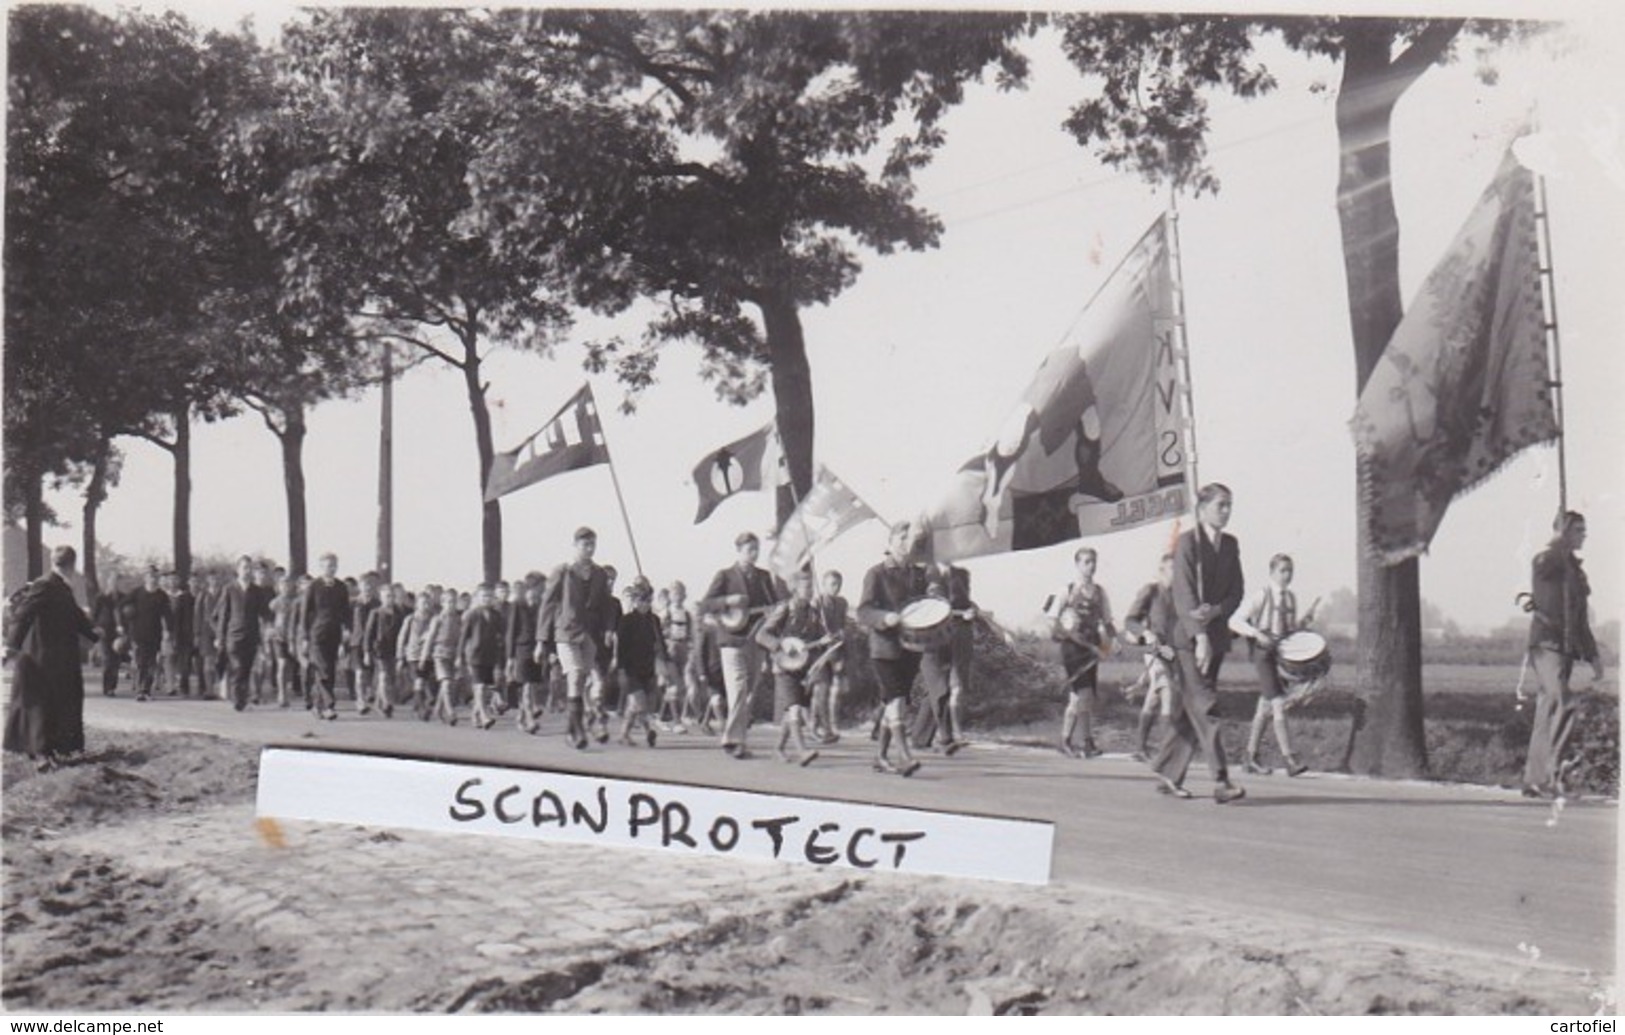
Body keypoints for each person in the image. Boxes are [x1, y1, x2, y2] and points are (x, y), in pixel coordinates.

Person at [1152, 483, 1246, 804]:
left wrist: (1217, 610)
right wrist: (1200, 634)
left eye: (1229, 505)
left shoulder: (1231, 545)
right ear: (1202, 507)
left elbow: (1237, 591)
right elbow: (1183, 593)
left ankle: (1167, 769)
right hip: (1188, 642)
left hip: (1216, 637)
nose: (1226, 511)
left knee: (1191, 709)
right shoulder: (1187, 543)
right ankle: (1221, 780)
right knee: (1206, 707)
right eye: (1221, 505)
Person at [1522, 511, 1604, 799]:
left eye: (1584, 529)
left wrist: (1593, 655)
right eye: (1578, 530)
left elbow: (1580, 619)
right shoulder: (1547, 561)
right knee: (1561, 701)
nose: (1584, 535)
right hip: (1546, 644)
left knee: (1548, 707)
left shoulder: (1575, 571)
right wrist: (1558, 542)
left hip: (1566, 647)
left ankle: (1537, 779)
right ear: (1563, 532)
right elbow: (1543, 568)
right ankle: (1548, 776)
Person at [4, 546, 99, 770]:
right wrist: (10, 646)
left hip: (57, 658)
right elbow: (23, 614)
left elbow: (74, 616)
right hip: (41, 658)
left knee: (58, 702)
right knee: (42, 705)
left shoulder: (61, 587)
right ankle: (42, 754)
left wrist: (94, 635)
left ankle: (50, 750)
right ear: (72, 565)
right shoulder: (45, 584)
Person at [1231, 553, 1319, 777]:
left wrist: (1302, 626)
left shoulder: (1291, 598)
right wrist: (1255, 633)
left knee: (1265, 705)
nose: (1286, 575)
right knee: (1278, 702)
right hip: (1263, 655)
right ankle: (1289, 759)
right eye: (1282, 571)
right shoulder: (1261, 595)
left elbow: (1288, 630)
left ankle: (1250, 757)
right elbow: (1235, 620)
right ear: (1272, 573)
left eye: (1290, 571)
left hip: (1280, 655)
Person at [701, 532, 783, 759]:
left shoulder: (764, 577)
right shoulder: (725, 576)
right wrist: (728, 601)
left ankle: (739, 741)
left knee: (749, 693)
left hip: (755, 641)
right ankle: (732, 740)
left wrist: (774, 611)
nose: (754, 554)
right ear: (738, 551)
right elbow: (706, 605)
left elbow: (775, 604)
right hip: (731, 641)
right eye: (749, 550)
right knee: (738, 689)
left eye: (756, 549)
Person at [857, 521, 929, 777]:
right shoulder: (876, 573)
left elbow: (924, 606)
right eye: (901, 539)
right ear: (889, 543)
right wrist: (883, 618)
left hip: (911, 648)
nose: (905, 544)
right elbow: (863, 611)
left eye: (908, 540)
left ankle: (880, 756)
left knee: (892, 702)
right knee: (896, 699)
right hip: (884, 648)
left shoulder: (918, 574)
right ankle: (905, 756)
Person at [538, 527, 617, 749]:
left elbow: (607, 604)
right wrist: (542, 640)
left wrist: (610, 628)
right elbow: (548, 604)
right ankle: (579, 729)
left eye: (592, 545)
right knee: (575, 675)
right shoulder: (563, 572)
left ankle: (572, 730)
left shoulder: (600, 574)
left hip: (590, 634)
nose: (589, 549)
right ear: (575, 546)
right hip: (566, 632)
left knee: (582, 680)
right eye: (585, 545)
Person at [1044, 547, 1116, 759]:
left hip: (1091, 649)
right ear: (1077, 565)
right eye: (1085, 562)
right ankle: (1087, 743)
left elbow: (1108, 621)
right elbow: (1051, 617)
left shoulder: (1100, 593)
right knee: (1084, 693)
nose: (1090, 566)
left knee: (1078, 698)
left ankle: (1065, 740)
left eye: (1093, 561)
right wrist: (1064, 629)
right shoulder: (1068, 590)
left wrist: (1114, 641)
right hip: (1073, 648)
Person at [757, 569, 829, 766]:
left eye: (812, 587)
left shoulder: (814, 613)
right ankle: (802, 751)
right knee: (795, 708)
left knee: (792, 711)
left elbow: (811, 643)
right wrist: (781, 646)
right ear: (795, 589)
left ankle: (778, 748)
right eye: (806, 587)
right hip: (783, 667)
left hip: (803, 667)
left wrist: (825, 641)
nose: (810, 591)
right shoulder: (784, 609)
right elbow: (762, 635)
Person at [911, 562, 976, 754]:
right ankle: (946, 738)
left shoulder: (962, 573)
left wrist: (971, 612)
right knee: (939, 687)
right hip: (929, 637)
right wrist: (960, 613)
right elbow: (927, 605)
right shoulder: (922, 573)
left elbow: (966, 601)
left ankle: (919, 738)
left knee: (938, 689)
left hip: (956, 636)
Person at [1122, 553, 1179, 762]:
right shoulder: (1151, 591)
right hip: (1153, 649)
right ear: (1162, 571)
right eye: (1172, 568)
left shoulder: (1181, 594)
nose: (1177, 573)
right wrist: (1145, 633)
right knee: (1167, 691)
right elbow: (1129, 621)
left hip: (1171, 652)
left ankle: (1140, 748)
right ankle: (1168, 753)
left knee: (1154, 697)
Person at [214, 555, 274, 712]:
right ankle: (238, 699)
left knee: (246, 669)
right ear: (238, 570)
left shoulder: (256, 591)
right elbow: (223, 615)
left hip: (252, 635)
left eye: (249, 568)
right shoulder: (229, 589)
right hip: (233, 635)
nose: (246, 571)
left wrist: (270, 624)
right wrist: (220, 637)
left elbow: (264, 612)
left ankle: (242, 698)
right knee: (237, 666)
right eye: (244, 568)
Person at [613, 576, 666, 747]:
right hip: (630, 669)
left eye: (649, 600)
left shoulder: (654, 621)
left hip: (648, 668)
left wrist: (663, 662)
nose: (646, 604)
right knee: (639, 702)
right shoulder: (626, 621)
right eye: (642, 600)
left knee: (634, 705)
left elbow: (661, 644)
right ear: (635, 600)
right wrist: (620, 669)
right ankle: (648, 730)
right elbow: (620, 648)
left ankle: (623, 734)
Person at [302, 553, 351, 721]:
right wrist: (304, 637)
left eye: (333, 565)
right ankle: (329, 706)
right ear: (321, 567)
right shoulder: (314, 586)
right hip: (317, 633)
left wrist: (347, 629)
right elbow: (305, 612)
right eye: (327, 565)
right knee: (322, 669)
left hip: (335, 633)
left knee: (329, 670)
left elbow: (346, 611)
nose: (331, 568)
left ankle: (318, 705)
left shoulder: (341, 587)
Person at [809, 570, 850, 744]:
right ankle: (818, 727)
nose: (836, 588)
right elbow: (809, 629)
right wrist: (820, 639)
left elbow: (842, 625)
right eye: (832, 584)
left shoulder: (842, 603)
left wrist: (842, 633)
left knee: (836, 690)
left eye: (838, 584)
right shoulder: (816, 603)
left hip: (835, 650)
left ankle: (830, 725)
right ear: (824, 585)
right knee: (821, 689)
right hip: (818, 652)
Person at [459, 584, 502, 730]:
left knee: (485, 687)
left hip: (490, 654)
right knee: (480, 686)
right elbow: (464, 636)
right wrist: (459, 656)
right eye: (484, 596)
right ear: (478, 598)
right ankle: (484, 715)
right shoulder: (472, 614)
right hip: (475, 654)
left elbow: (501, 634)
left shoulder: (497, 615)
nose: (487, 599)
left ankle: (475, 714)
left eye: (490, 596)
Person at [128, 565, 171, 703]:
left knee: (152, 663)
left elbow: (168, 615)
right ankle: (140, 690)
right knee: (141, 662)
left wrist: (167, 631)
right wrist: (127, 619)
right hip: (138, 633)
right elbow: (121, 606)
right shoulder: (136, 593)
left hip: (155, 634)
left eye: (155, 576)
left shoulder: (162, 595)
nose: (153, 579)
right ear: (145, 577)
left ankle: (146, 690)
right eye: (150, 576)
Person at [508, 576, 545, 733]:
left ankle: (521, 717)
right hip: (521, 649)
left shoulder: (541, 607)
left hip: (537, 650)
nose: (543, 591)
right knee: (527, 685)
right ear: (531, 588)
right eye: (540, 587)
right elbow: (511, 632)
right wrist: (510, 657)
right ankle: (529, 718)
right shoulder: (517, 606)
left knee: (531, 685)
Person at [365, 582, 407, 718]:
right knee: (383, 676)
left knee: (390, 678)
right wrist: (367, 651)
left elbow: (403, 633)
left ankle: (378, 702)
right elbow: (368, 634)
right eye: (387, 596)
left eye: (392, 596)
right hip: (380, 650)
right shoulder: (376, 613)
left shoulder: (399, 613)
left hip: (394, 650)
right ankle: (387, 704)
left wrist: (403, 650)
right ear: (381, 597)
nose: (390, 599)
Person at [661, 580, 697, 733]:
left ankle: (662, 716)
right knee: (674, 686)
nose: (678, 597)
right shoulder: (665, 613)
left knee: (681, 686)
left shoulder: (688, 614)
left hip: (683, 648)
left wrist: (691, 648)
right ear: (670, 595)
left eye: (681, 593)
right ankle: (676, 721)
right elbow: (658, 633)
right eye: (675, 593)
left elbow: (692, 634)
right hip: (670, 648)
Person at [397, 590, 437, 721]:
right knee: (419, 681)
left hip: (429, 655)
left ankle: (413, 700)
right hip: (413, 655)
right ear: (417, 604)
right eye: (422, 603)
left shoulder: (434, 619)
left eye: (427, 603)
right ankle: (422, 709)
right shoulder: (410, 619)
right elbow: (402, 637)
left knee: (424, 681)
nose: (425, 605)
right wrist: (400, 655)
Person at [428, 586, 464, 725]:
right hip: (439, 653)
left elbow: (462, 637)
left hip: (453, 654)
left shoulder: (459, 619)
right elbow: (430, 637)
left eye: (453, 602)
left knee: (449, 683)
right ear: (442, 602)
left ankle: (438, 708)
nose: (451, 605)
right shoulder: (438, 619)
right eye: (448, 602)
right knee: (446, 682)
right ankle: (450, 711)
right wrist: (425, 655)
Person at [349, 574, 381, 715]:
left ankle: (371, 693)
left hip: (374, 642)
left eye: (370, 585)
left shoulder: (378, 604)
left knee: (372, 672)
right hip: (356, 641)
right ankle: (360, 701)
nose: (367, 588)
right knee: (360, 672)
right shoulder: (353, 603)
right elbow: (345, 621)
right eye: (364, 584)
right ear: (359, 586)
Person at [91, 576, 125, 697]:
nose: (114, 585)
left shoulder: (123, 597)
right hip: (105, 631)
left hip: (118, 633)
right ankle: (107, 687)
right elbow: (94, 614)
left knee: (116, 660)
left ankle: (112, 686)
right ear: (107, 583)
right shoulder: (101, 598)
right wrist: (95, 628)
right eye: (112, 582)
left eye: (116, 583)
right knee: (107, 659)